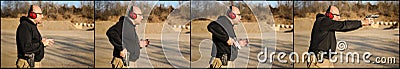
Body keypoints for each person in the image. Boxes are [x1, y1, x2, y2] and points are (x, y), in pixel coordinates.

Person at [307, 5, 372, 68]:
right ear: (330, 15)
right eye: (337, 15)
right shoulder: (323, 21)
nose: (339, 18)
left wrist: (362, 23)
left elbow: (344, 27)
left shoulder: (327, 23)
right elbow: (343, 25)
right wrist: (362, 22)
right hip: (318, 60)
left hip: (326, 59)